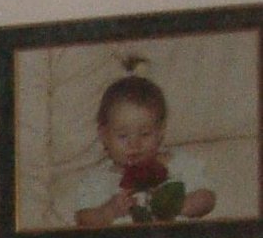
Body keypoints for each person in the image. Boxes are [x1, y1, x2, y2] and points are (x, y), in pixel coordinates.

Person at [72, 73, 215, 229]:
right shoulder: (97, 180)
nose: (135, 144)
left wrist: (179, 205)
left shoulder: (179, 165)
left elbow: (207, 198)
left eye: (145, 134)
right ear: (104, 136)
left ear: (160, 132)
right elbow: (82, 220)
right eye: (123, 136)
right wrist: (108, 211)